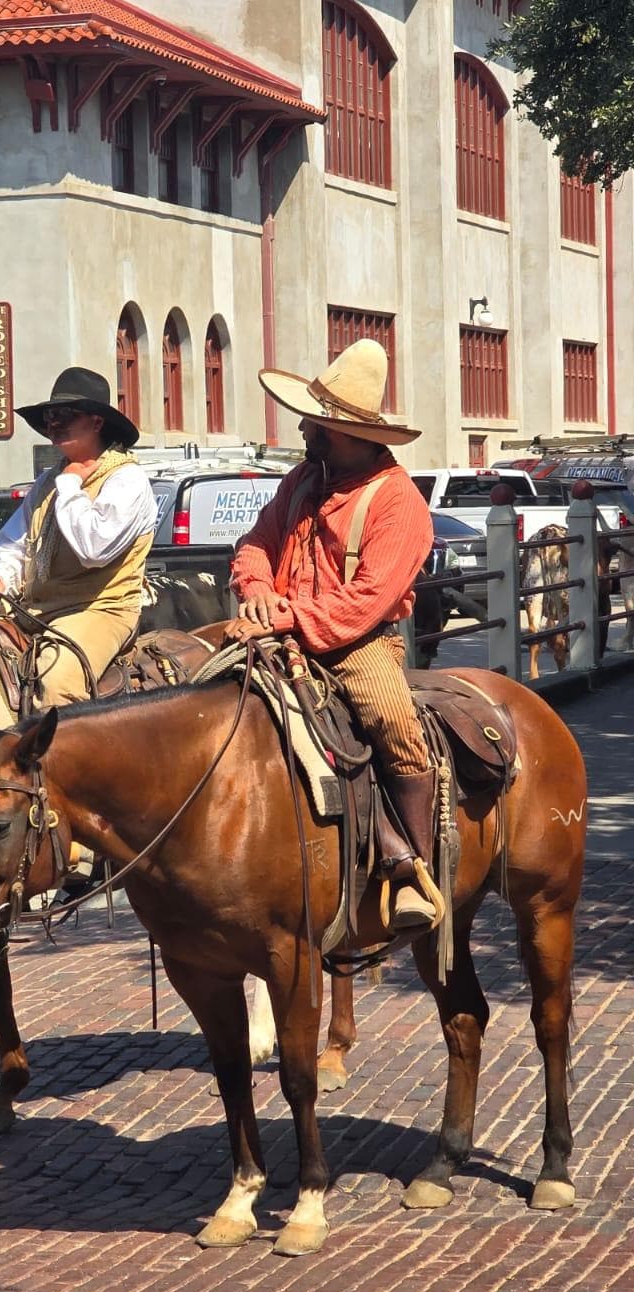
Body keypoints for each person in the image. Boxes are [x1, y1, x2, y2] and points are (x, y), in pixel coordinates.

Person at [225, 338, 438, 933]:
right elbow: (256, 544)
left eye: (319, 425)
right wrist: (259, 589)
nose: (305, 430)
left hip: (357, 642)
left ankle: (412, 868)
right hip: (279, 624)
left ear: (350, 434)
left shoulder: (397, 502)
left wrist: (288, 617)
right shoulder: (301, 479)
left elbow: (365, 602)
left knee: (390, 717)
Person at [0, 366, 158, 707]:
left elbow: (93, 548)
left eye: (65, 415)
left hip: (102, 610)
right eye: (50, 415)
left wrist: (70, 485)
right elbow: (15, 541)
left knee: (57, 682)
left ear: (97, 422)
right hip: (36, 611)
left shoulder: (127, 480)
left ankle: (64, 759)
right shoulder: (47, 483)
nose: (53, 424)